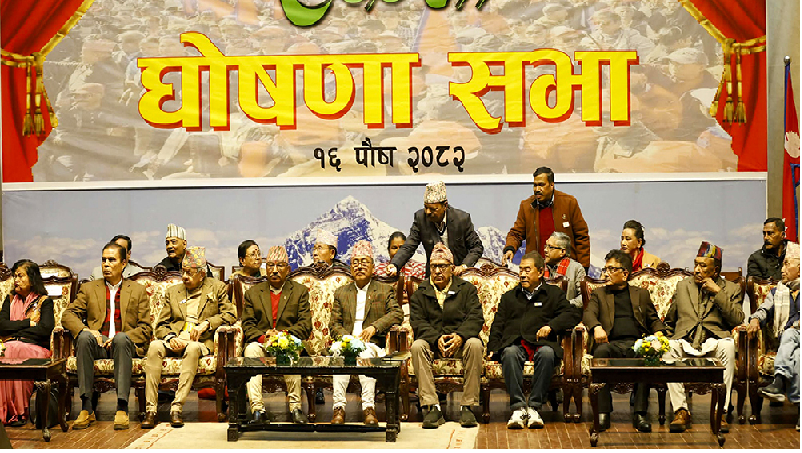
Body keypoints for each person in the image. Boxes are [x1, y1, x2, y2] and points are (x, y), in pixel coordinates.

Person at [142, 247, 236, 429]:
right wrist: (170, 337)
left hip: (200, 340)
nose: (185, 276)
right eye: (183, 272)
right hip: (175, 338)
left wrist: (207, 323)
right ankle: (150, 410)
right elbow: (161, 324)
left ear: (202, 274)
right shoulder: (173, 291)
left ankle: (176, 408)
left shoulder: (217, 288)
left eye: (190, 273)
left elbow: (230, 314)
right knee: (154, 346)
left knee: (192, 349)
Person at [62, 242, 152, 430]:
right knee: (84, 338)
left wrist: (124, 336)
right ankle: (87, 407)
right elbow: (68, 315)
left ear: (124, 263)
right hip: (99, 345)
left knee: (120, 339)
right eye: (103, 260)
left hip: (124, 347)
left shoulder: (137, 290)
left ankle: (122, 407)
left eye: (112, 260)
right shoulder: (89, 288)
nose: (106, 265)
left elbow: (145, 328)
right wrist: (86, 330)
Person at [487, 252, 580, 429]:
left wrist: (551, 326)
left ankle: (534, 408)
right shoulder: (510, 296)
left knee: (547, 354)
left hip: (542, 343)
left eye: (527, 270)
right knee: (509, 353)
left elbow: (572, 314)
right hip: (515, 342)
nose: (522, 274)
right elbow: (498, 324)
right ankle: (518, 408)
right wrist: (493, 347)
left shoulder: (553, 294)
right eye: (521, 270)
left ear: (540, 272)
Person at [663, 242, 744, 433]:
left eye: (702, 266)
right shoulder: (683, 286)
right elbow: (670, 319)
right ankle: (681, 411)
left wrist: (718, 292)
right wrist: (662, 338)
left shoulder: (731, 289)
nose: (697, 270)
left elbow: (737, 319)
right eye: (696, 264)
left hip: (713, 341)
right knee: (668, 348)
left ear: (715, 270)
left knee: (728, 346)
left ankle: (720, 411)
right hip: (686, 340)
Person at [583, 250, 666, 433]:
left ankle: (640, 414)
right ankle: (603, 413)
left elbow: (653, 319)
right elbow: (588, 314)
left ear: (625, 273)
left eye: (612, 269)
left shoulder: (640, 294)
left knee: (646, 355)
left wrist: (659, 333)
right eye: (606, 269)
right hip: (609, 343)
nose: (607, 273)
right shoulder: (599, 294)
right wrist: (596, 327)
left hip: (636, 343)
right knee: (600, 353)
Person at [328, 240, 404, 425]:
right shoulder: (341, 292)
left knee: (364, 354)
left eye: (364, 262)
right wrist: (347, 339)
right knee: (340, 354)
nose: (359, 266)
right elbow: (334, 324)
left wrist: (374, 327)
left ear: (373, 268)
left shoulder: (384, 290)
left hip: (371, 344)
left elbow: (397, 313)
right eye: (355, 262)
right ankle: (339, 408)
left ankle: (368, 408)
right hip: (346, 341)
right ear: (350, 268)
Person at [409, 243, 483, 428]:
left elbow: (475, 318)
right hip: (433, 344)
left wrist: (460, 336)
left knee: (475, 344)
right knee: (417, 346)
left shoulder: (466, 289)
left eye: (442, 266)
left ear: (451, 268)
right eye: (434, 266)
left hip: (461, 343)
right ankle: (432, 407)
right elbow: (417, 322)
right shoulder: (421, 292)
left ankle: (467, 407)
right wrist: (436, 339)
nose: (437, 271)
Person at [241, 246, 312, 425]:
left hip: (288, 341)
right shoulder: (253, 293)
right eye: (270, 265)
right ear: (265, 269)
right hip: (262, 342)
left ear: (288, 269)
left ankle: (295, 408)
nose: (274, 270)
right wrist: (264, 337)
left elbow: (305, 326)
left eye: (280, 265)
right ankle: (258, 410)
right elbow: (247, 325)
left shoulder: (299, 291)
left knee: (290, 351)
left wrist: (283, 336)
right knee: (251, 350)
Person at [747, 242, 800, 428]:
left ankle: (779, 382)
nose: (782, 270)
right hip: (792, 342)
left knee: (790, 333)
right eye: (782, 265)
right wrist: (755, 319)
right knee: (798, 355)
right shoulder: (778, 291)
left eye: (787, 264)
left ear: (800, 268)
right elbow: (764, 309)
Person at [387, 182, 484, 278]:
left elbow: (476, 247)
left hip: (458, 275)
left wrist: (464, 266)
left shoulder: (461, 219)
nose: (428, 212)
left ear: (445, 206)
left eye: (433, 209)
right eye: (426, 207)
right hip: (433, 276)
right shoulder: (421, 218)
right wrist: (395, 264)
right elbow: (409, 246)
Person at [0, 260, 55, 426]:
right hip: (10, 344)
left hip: (35, 348)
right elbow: (2, 326)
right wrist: (27, 323)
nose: (16, 280)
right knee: (8, 350)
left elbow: (44, 330)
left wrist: (15, 331)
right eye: (15, 276)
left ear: (32, 279)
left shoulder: (44, 302)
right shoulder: (10, 300)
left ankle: (19, 413)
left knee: (16, 350)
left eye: (20, 276)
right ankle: (5, 411)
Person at [503, 167, 590, 269]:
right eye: (535, 185)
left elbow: (582, 237)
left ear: (551, 185)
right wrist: (510, 249)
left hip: (565, 269)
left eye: (541, 185)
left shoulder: (569, 203)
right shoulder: (526, 206)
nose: (537, 189)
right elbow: (516, 233)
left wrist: (583, 268)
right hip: (537, 269)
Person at [543, 232, 585, 309]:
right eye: (546, 246)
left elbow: (584, 296)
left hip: (567, 311)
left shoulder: (576, 268)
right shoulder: (540, 267)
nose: (545, 250)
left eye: (550, 247)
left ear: (562, 252)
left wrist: (566, 304)